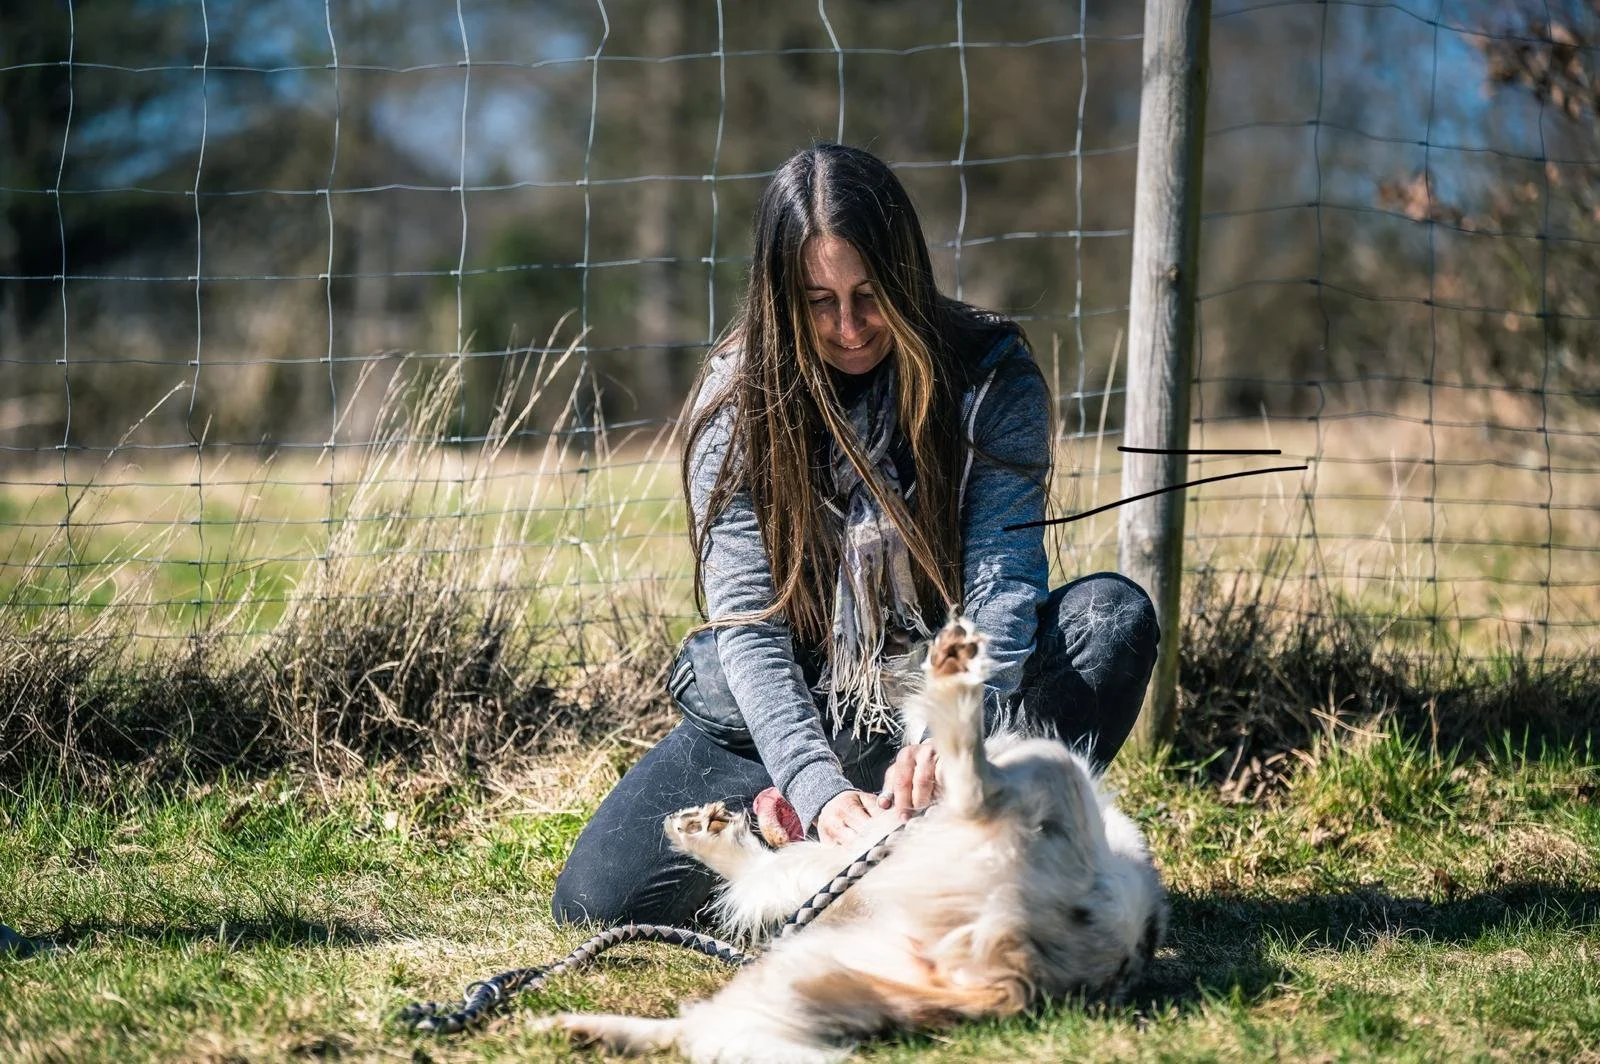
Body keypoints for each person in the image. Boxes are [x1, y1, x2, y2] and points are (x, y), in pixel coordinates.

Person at [551, 143, 1158, 927]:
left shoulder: (990, 374)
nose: (848, 327)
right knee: (597, 904)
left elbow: (1000, 583)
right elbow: (748, 624)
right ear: (780, 298)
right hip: (805, 702)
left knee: (1110, 621)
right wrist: (817, 785)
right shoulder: (733, 403)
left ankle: (941, 855)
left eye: (870, 295)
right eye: (818, 300)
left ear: (907, 277)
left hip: (949, 696)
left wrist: (955, 736)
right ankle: (832, 841)